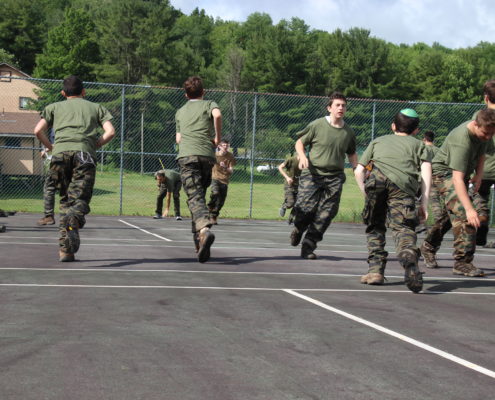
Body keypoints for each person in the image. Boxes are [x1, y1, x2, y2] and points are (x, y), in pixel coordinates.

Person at [33, 75, 115, 262]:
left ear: (63, 93)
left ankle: (66, 251)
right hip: (84, 155)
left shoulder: (53, 107)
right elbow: (110, 131)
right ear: (84, 92)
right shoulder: (96, 107)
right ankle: (75, 218)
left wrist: (51, 147)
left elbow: (37, 130)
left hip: (60, 156)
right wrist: (95, 144)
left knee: (65, 200)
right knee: (80, 198)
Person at [354, 109, 432, 293]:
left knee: (375, 226)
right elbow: (426, 173)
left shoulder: (378, 141)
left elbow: (359, 171)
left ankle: (375, 271)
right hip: (403, 187)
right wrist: (424, 204)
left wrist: (366, 193)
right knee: (403, 227)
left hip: (377, 182)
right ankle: (408, 255)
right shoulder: (420, 146)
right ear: (416, 130)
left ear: (393, 126)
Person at [420, 108, 495, 276]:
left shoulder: (485, 132)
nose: (488, 137)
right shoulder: (462, 140)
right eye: (485, 133)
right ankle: (462, 262)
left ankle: (428, 246)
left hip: (461, 174)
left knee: (451, 215)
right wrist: (469, 209)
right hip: (444, 173)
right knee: (464, 214)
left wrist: (479, 175)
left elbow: (482, 153)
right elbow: (456, 179)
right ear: (476, 124)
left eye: (492, 134)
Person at [290, 92, 358, 259]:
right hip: (313, 174)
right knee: (306, 209)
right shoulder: (317, 125)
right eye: (337, 105)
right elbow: (299, 142)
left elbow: (352, 153)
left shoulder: (348, 132)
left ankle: (308, 245)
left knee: (326, 214)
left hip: (334, 177)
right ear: (329, 108)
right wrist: (303, 156)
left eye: (343, 105)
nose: (341, 108)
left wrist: (357, 169)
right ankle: (298, 228)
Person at [176, 76, 221, 263]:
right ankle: (199, 242)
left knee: (194, 197)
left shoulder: (180, 111)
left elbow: (179, 139)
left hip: (187, 156)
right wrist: (217, 138)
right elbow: (217, 115)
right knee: (198, 197)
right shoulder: (209, 104)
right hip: (206, 156)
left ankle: (204, 230)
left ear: (186, 95)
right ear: (203, 92)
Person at [471, 80, 495, 248]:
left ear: (486, 97)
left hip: (484, 167)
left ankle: (481, 222)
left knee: (480, 197)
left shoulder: (480, 116)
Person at [207, 140, 235, 225]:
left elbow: (231, 171)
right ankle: (210, 206)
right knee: (215, 193)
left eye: (227, 145)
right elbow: (208, 164)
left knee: (221, 201)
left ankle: (214, 216)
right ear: (219, 146)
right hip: (215, 178)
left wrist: (225, 167)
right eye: (223, 145)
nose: (225, 147)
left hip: (224, 180)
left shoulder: (230, 156)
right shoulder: (214, 155)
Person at [415, 131, 438, 234]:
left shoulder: (422, 149)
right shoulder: (438, 150)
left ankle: (420, 223)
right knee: (435, 204)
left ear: (424, 139)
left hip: (422, 179)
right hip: (435, 178)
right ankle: (437, 225)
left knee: (417, 201)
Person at [277, 153, 301, 224]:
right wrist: (287, 178)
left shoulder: (305, 162)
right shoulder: (291, 160)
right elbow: (280, 167)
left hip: (299, 186)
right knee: (291, 203)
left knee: (298, 204)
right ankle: (284, 206)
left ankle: (291, 218)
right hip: (289, 185)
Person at [37, 144, 57, 226]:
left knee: (49, 189)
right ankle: (73, 218)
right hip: (74, 162)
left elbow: (60, 142)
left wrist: (46, 150)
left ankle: (49, 217)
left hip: (57, 165)